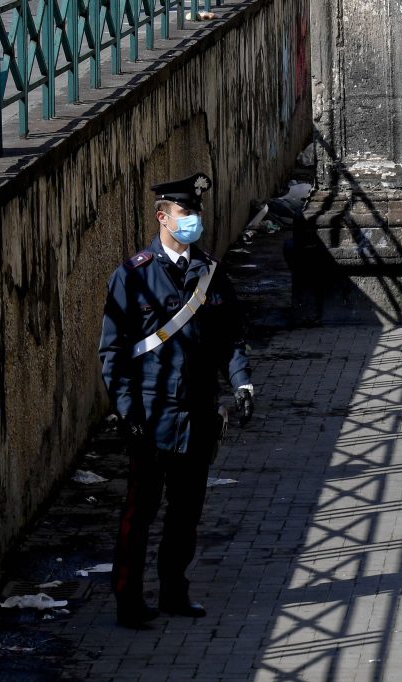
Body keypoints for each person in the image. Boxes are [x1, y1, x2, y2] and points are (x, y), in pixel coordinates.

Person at [99, 173, 255, 628]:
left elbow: (230, 339)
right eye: (185, 212)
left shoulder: (210, 272)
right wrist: (126, 411)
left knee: (186, 513)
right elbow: (113, 353)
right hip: (152, 415)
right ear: (162, 216)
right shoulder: (133, 276)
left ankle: (174, 591)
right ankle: (128, 599)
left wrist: (242, 384)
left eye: (196, 213)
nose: (193, 221)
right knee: (140, 513)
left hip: (199, 411)